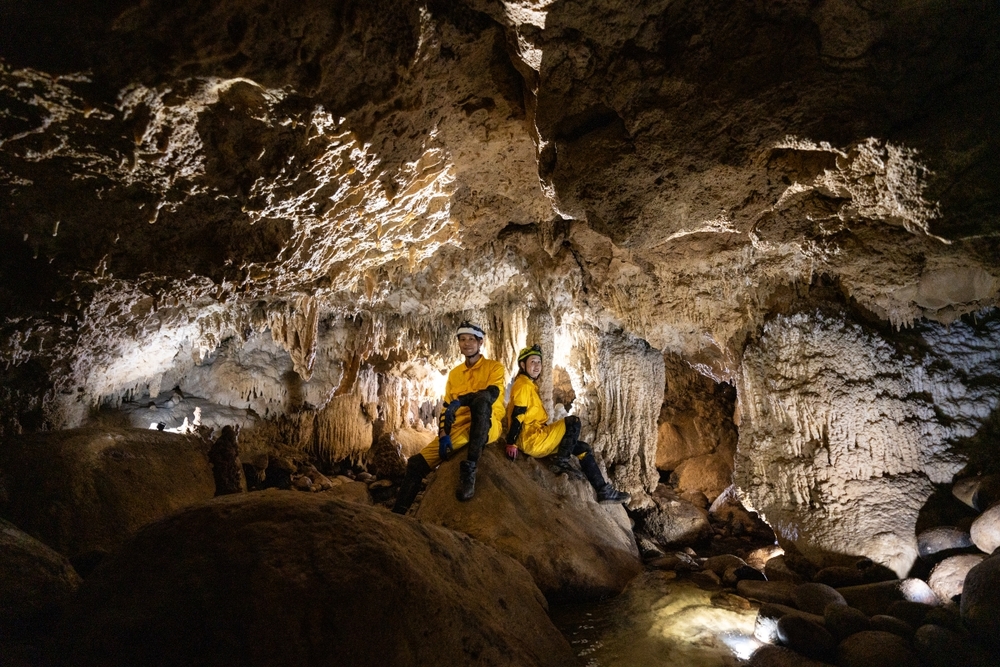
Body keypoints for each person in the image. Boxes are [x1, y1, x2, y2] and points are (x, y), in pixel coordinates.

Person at [392, 321, 505, 514]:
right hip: (459, 428)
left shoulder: (494, 368)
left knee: (481, 402)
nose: (467, 343)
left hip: (487, 423)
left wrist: (461, 401)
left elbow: (490, 394)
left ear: (480, 342)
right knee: (416, 464)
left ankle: (470, 469)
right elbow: (446, 407)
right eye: (463, 339)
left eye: (471, 339)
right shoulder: (455, 374)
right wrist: (443, 434)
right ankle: (398, 515)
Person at [505, 344, 630, 504]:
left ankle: (604, 491)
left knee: (583, 448)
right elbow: (518, 414)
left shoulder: (529, 384)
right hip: (533, 440)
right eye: (532, 362)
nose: (537, 366)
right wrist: (511, 443)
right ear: (523, 365)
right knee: (573, 422)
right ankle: (561, 462)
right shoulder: (523, 385)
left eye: (539, 362)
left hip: (538, 437)